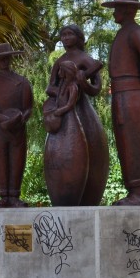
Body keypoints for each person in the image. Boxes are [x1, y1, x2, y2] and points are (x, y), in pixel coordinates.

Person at [103, 0, 140, 206]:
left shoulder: (137, 33)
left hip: (131, 94)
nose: (114, 12)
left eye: (117, 8)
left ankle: (137, 192)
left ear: (127, 10)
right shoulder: (123, 33)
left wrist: (137, 87)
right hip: (121, 94)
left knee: (133, 142)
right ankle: (132, 191)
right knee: (124, 143)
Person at [46, 25, 109, 206]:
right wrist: (63, 90)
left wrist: (83, 83)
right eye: (63, 35)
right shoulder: (60, 61)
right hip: (64, 112)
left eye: (70, 34)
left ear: (78, 37)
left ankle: (90, 197)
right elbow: (50, 87)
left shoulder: (85, 59)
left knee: (92, 148)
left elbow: (96, 88)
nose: (66, 38)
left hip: (83, 111)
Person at [0, 43, 33, 208]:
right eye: (0, 59)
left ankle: (14, 195)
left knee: (17, 160)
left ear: (11, 59)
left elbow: (28, 108)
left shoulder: (22, 82)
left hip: (18, 130)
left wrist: (19, 118)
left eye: (5, 58)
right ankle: (3, 195)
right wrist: (3, 118)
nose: (3, 61)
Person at [42, 60, 89, 206]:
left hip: (70, 121)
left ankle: (71, 197)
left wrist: (58, 112)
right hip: (59, 123)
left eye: (61, 70)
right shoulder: (62, 86)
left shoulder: (73, 86)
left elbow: (70, 104)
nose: (58, 73)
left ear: (66, 71)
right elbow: (51, 93)